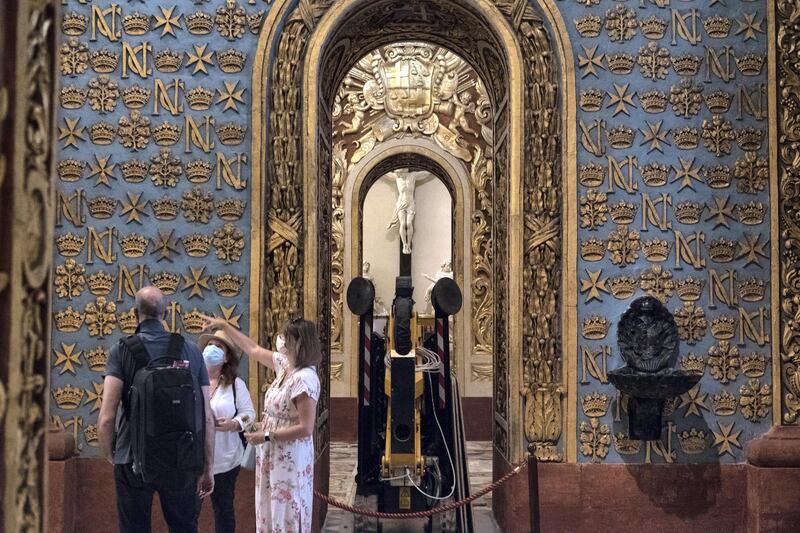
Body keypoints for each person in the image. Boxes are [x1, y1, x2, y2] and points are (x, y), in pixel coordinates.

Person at [98, 286, 215, 533]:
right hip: (181, 459)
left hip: (132, 459)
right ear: (165, 313)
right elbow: (207, 417)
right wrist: (207, 466)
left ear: (134, 314)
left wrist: (112, 454)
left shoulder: (121, 351)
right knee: (184, 528)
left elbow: (107, 417)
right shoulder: (192, 351)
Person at [201, 315, 321, 533]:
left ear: (299, 343)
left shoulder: (304, 378)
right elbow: (253, 349)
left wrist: (266, 435)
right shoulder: (286, 366)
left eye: (285, 337)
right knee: (269, 510)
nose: (280, 340)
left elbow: (306, 427)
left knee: (285, 512)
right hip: (271, 454)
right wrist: (224, 326)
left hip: (289, 456)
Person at [198, 329, 256, 533]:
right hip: (196, 460)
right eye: (209, 345)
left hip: (226, 460)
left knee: (224, 512)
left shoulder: (235, 385)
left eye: (218, 347)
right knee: (190, 513)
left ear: (226, 357)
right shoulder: (193, 380)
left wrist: (235, 423)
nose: (211, 349)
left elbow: (250, 414)